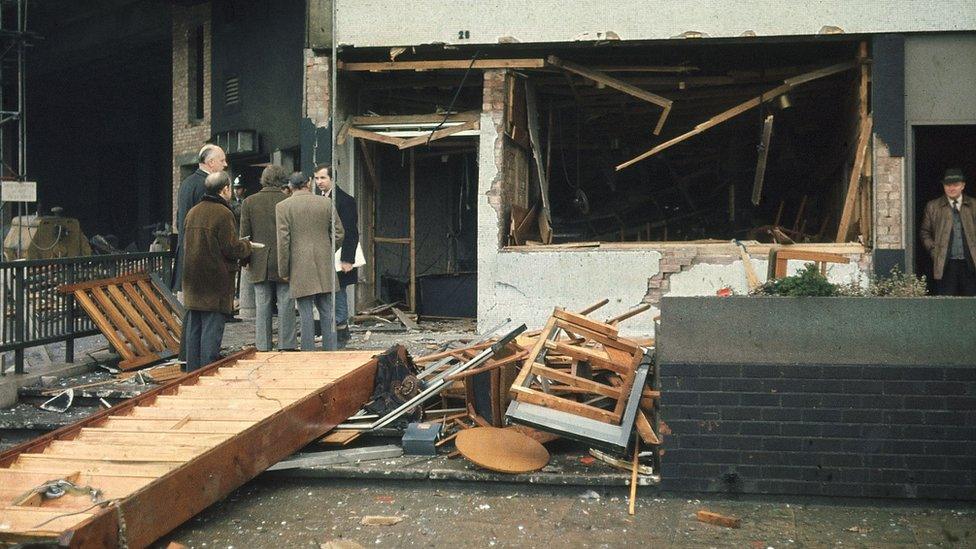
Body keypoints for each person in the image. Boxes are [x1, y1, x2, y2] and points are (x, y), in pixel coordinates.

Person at [182, 171, 252, 371]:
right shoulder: (223, 213)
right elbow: (230, 248)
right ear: (225, 189)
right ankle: (208, 373)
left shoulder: (193, 212)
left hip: (193, 281)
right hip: (215, 281)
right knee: (211, 334)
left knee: (194, 332)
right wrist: (246, 246)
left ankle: (192, 375)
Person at [276, 172, 344, 350]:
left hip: (299, 266)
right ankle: (331, 351)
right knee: (327, 310)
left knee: (305, 313)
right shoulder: (325, 202)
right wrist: (328, 250)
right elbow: (339, 233)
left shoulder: (283, 207)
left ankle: (308, 352)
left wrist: (284, 270)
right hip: (324, 263)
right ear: (309, 182)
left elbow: (283, 242)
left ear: (290, 186)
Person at [240, 165, 297, 351]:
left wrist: (245, 261)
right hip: (284, 260)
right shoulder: (288, 201)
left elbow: (245, 237)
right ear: (282, 179)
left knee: (262, 305)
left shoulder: (248, 202)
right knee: (286, 303)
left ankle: (263, 346)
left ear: (263, 179)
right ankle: (286, 344)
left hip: (259, 261)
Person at [314, 164, 359, 348]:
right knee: (328, 293)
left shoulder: (345, 200)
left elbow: (351, 231)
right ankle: (338, 333)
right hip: (325, 254)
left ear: (332, 179)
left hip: (340, 255)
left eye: (323, 178)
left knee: (339, 293)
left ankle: (341, 335)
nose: (319, 182)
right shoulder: (319, 199)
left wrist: (348, 258)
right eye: (317, 178)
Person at [173, 144, 227, 292]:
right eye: (222, 161)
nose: (225, 164)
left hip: (185, 255)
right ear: (211, 162)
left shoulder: (186, 183)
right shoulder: (208, 186)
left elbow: (179, 220)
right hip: (202, 259)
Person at [920, 168, 976, 296]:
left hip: (971, 264)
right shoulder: (933, 206)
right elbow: (924, 232)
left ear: (963, 186)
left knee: (972, 304)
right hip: (945, 264)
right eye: (948, 185)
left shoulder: (973, 205)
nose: (951, 188)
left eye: (955, 185)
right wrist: (934, 250)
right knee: (946, 302)